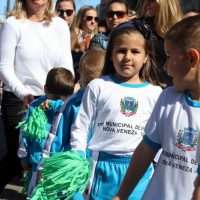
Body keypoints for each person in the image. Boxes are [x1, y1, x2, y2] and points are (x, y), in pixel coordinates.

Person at [70, 20, 162, 200]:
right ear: (111, 55)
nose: (127, 57)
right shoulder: (98, 86)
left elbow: (158, 137)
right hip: (100, 168)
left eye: (135, 51)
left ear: (146, 56)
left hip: (140, 171)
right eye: (121, 51)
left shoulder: (156, 93)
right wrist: (77, 158)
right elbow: (81, 126)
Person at [113, 15, 200, 200]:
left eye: (169, 57)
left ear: (192, 58)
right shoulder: (168, 98)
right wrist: (121, 195)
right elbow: (146, 149)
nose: (165, 67)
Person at [0, 0, 74, 190]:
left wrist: (65, 95)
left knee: (49, 161)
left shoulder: (60, 25)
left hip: (55, 101)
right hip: (21, 102)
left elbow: (66, 65)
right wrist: (23, 94)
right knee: (15, 163)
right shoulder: (13, 24)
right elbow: (4, 67)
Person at [17, 67, 75, 196]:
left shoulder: (68, 109)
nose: (57, 102)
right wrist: (24, 157)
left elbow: (24, 135)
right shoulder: (38, 107)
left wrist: (23, 157)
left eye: (62, 98)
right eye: (55, 98)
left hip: (50, 165)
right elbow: (26, 134)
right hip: (46, 164)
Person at [136, 0, 183, 87]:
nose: (146, 3)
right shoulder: (138, 28)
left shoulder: (183, 31)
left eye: (152, 1)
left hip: (174, 89)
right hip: (146, 87)